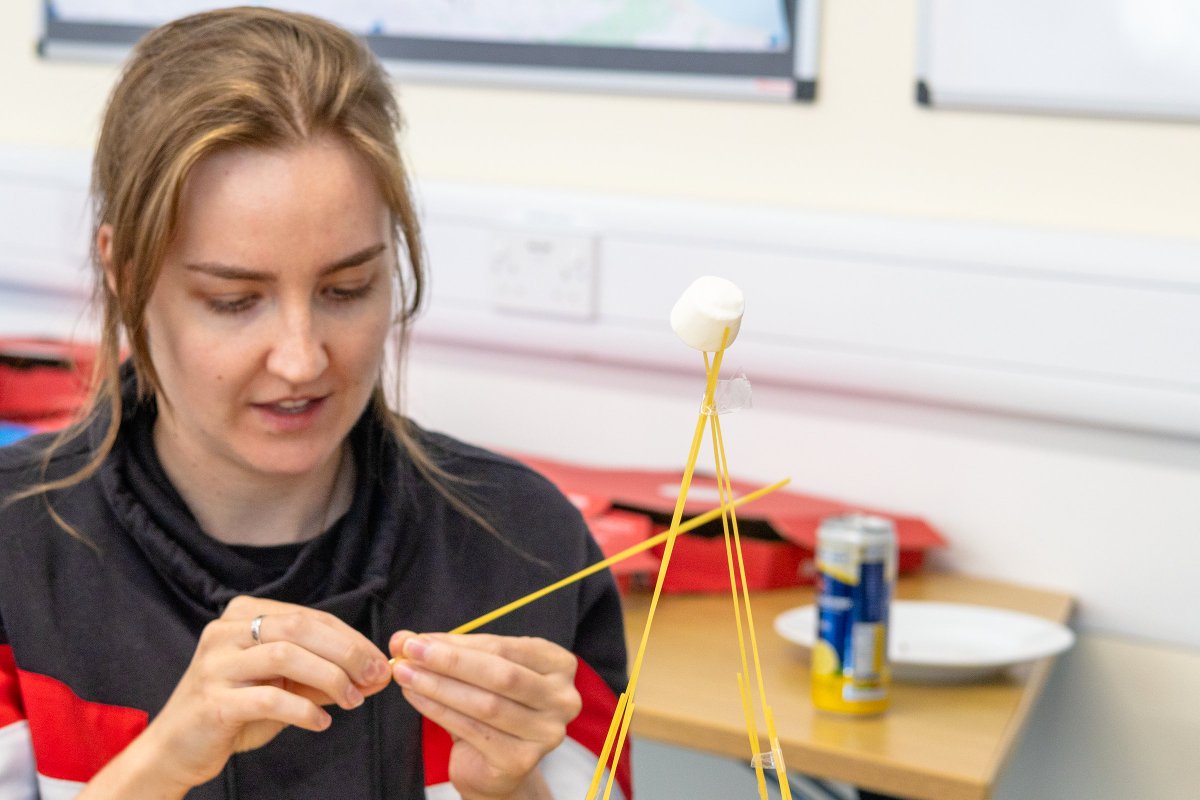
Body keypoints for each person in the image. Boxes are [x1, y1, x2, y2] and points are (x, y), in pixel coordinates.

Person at [0, 8, 630, 800]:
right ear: (125, 275)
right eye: (234, 301)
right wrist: (161, 764)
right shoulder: (17, 550)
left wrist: (509, 790)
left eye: (347, 289)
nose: (301, 359)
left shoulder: (527, 544)